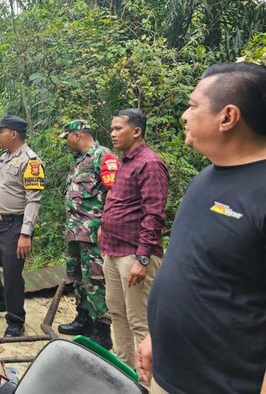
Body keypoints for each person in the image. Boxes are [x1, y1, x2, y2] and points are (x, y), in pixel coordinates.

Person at [136, 62, 266, 394]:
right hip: (170, 374)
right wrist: (159, 337)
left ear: (227, 117)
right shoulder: (207, 177)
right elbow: (195, 268)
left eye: (193, 105)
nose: (184, 114)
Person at [99, 108, 169, 369]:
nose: (113, 133)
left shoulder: (150, 163)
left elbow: (154, 212)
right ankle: (124, 371)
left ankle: (147, 379)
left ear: (137, 131)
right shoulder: (126, 161)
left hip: (134, 255)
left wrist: (142, 258)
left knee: (139, 321)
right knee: (118, 313)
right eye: (112, 128)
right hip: (113, 251)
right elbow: (122, 203)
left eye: (118, 128)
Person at [0, 115, 44, 338]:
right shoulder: (5, 157)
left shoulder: (31, 162)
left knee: (13, 274)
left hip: (15, 226)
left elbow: (33, 200)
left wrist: (26, 233)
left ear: (13, 134)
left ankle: (16, 320)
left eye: (0, 131)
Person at [57, 119, 118, 350]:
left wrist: (106, 224)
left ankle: (102, 330)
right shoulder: (80, 160)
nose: (67, 143)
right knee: (77, 278)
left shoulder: (104, 156)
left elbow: (114, 193)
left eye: (68, 138)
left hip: (92, 232)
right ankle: (83, 319)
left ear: (78, 136)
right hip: (75, 231)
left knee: (95, 280)